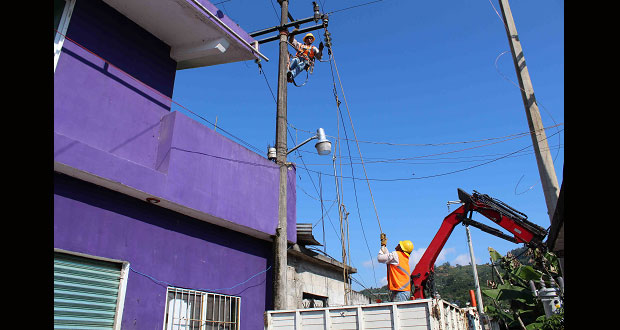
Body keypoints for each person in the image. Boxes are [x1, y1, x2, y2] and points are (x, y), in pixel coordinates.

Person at [377, 234, 414, 302]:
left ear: (401, 248)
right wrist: (383, 246)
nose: (398, 244)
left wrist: (383, 246)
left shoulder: (396, 254)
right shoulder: (402, 257)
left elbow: (380, 258)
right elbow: (388, 258)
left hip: (400, 292)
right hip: (402, 291)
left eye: (400, 244)